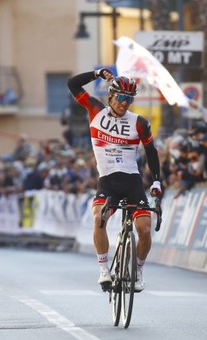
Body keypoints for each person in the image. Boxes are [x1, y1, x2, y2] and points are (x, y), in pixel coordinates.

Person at [67, 69, 162, 292]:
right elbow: (72, 84)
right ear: (110, 96)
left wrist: (157, 181)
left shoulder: (139, 123)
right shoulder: (95, 110)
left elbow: (152, 153)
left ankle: (138, 271)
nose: (124, 103)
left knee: (145, 229)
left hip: (132, 182)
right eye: (120, 97)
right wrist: (97, 73)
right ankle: (103, 269)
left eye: (129, 99)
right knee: (100, 217)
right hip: (108, 181)